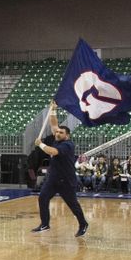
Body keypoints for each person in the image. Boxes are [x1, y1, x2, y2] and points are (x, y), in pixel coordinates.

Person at [30, 101, 89, 237]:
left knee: (73, 205)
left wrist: (40, 145)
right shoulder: (58, 138)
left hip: (66, 181)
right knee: (42, 198)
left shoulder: (68, 145)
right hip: (53, 179)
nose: (57, 133)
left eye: (60, 132)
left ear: (67, 135)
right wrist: (53, 109)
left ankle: (83, 223)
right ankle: (45, 224)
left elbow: (53, 152)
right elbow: (53, 123)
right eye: (57, 132)